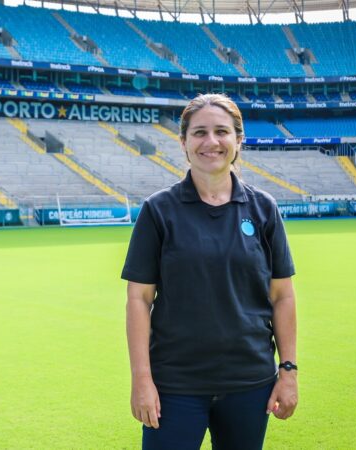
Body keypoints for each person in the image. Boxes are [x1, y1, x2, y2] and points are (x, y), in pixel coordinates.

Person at [122, 93, 298, 450]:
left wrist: (289, 371)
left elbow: (282, 295)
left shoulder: (264, 209)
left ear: (238, 140)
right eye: (199, 133)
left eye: (222, 132)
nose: (211, 142)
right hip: (175, 385)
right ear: (184, 142)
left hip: (250, 383)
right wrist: (142, 379)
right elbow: (138, 299)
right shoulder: (158, 211)